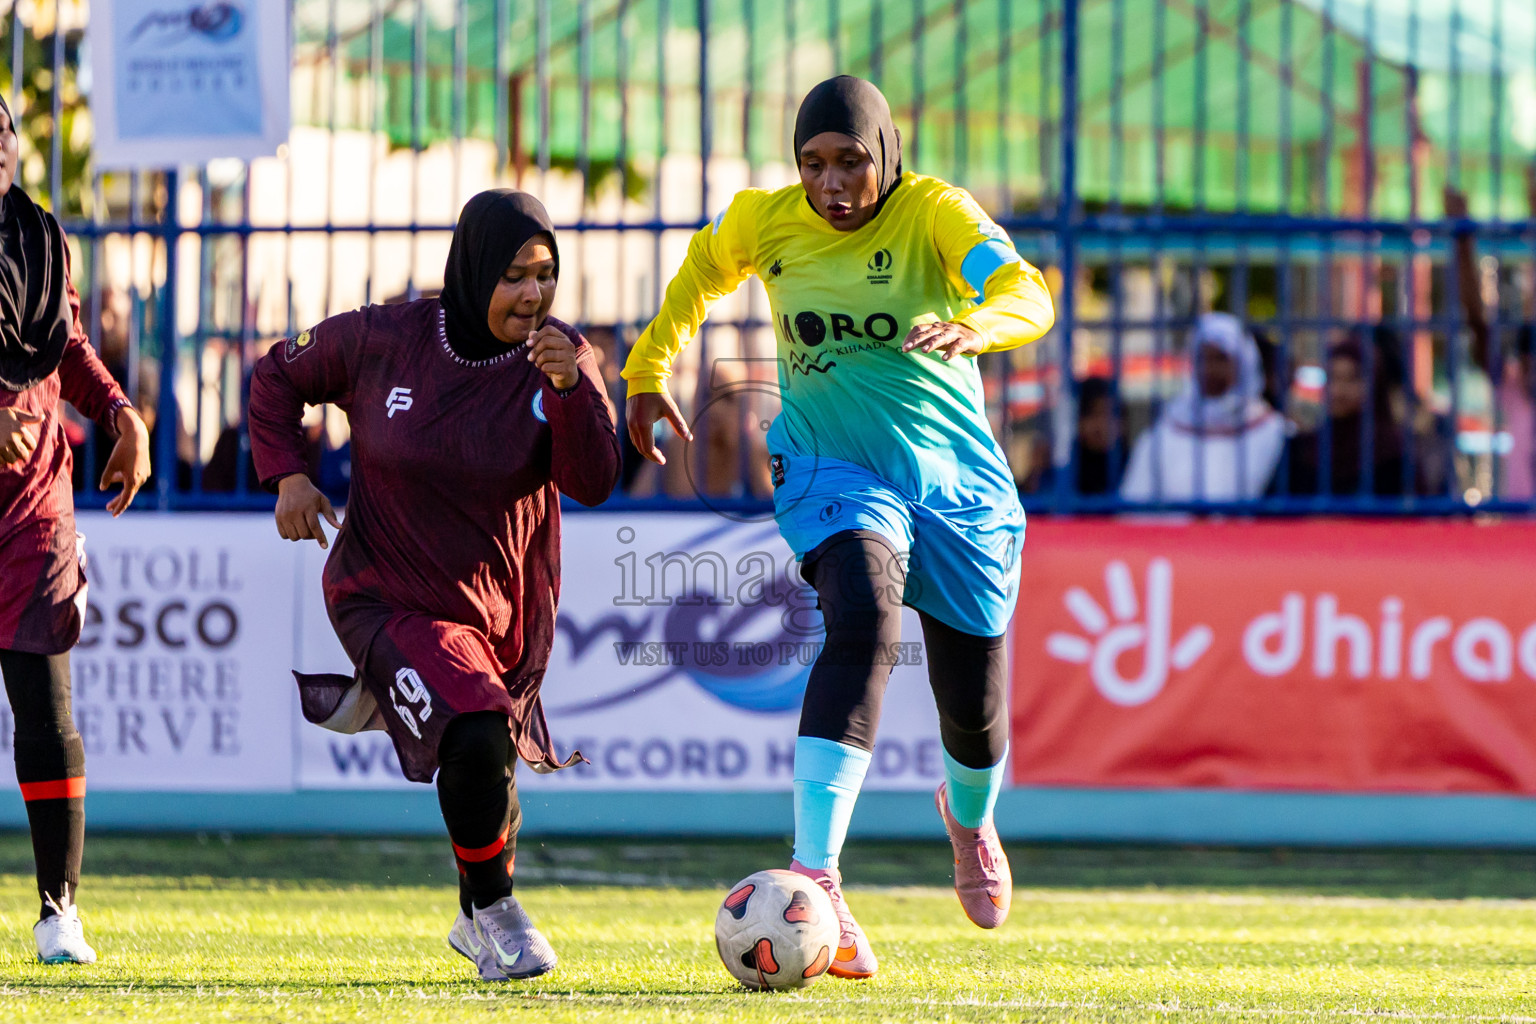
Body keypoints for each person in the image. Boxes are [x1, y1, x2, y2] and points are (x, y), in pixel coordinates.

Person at [623, 76, 1055, 976]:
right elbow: (701, 273)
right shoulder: (763, 221)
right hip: (831, 470)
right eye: (814, 163)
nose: (832, 184)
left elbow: (1024, 291)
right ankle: (817, 876)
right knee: (861, 613)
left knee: (972, 712)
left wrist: (980, 324)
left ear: (886, 155)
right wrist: (646, 366)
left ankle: (969, 821)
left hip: (956, 486)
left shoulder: (936, 213)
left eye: (851, 161)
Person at [248, 189, 621, 981]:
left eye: (547, 275)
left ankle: (472, 913)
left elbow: (592, 481)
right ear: (474, 268)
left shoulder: (560, 358)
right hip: (382, 591)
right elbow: (276, 376)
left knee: (486, 759)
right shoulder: (387, 337)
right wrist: (287, 474)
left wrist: (573, 391)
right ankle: (495, 912)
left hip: (498, 615)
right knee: (478, 728)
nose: (534, 294)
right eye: (516, 275)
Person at [0, 95, 151, 964]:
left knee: (46, 710)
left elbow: (68, 349)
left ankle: (59, 910)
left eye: (4, 132)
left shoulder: (40, 237)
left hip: (34, 506)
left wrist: (123, 411)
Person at [1120, 312, 1284, 503]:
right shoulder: (1162, 435)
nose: (1210, 369)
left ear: (1242, 362)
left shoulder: (1272, 432)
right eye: (1203, 359)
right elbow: (1136, 507)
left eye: (1221, 359)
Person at [1286, 333, 1409, 499]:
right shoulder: (1303, 450)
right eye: (1333, 378)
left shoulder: (1394, 452)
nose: (1339, 390)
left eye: (1353, 379)